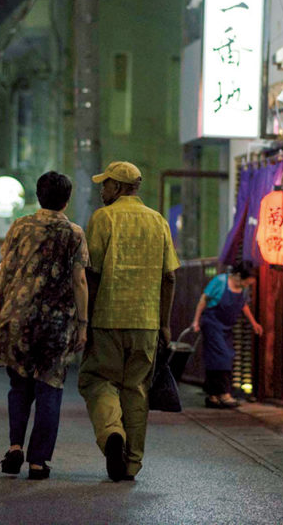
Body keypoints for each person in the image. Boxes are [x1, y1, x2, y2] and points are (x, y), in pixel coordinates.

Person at [78, 161, 180, 482]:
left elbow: (91, 274)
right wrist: (164, 324)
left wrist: (85, 320)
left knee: (97, 380)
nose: (101, 189)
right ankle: (131, 463)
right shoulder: (158, 221)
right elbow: (170, 277)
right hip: (147, 322)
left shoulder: (103, 218)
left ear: (119, 187)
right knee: (137, 389)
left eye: (105, 184)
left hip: (107, 319)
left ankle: (111, 434)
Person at [0, 172, 89, 481]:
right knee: (49, 389)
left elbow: (5, 271)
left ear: (38, 196)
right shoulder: (74, 233)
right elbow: (80, 281)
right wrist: (83, 325)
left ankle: (15, 445)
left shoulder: (19, 227)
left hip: (17, 317)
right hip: (56, 325)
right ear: (66, 199)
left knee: (19, 386)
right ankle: (38, 462)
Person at [190, 260, 263, 408]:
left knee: (219, 358)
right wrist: (196, 321)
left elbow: (243, 305)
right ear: (237, 276)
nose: (247, 286)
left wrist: (253, 323)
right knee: (222, 356)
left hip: (226, 328)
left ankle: (213, 395)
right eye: (246, 282)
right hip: (212, 324)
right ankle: (224, 393)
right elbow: (204, 299)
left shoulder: (242, 289)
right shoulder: (220, 281)